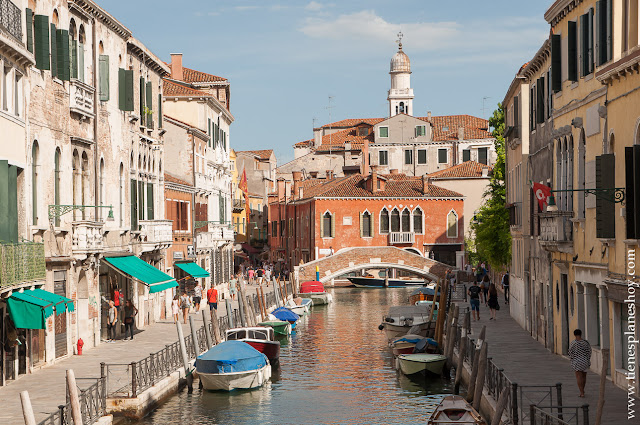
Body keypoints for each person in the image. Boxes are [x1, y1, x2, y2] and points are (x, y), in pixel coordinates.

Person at [569, 329, 592, 397]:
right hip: (584, 361)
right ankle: (583, 390)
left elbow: (570, 353)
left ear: (574, 335)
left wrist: (572, 359)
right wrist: (587, 359)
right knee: (584, 376)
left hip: (577, 361)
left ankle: (581, 392)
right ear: (581, 334)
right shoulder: (585, 342)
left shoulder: (573, 343)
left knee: (578, 377)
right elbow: (589, 352)